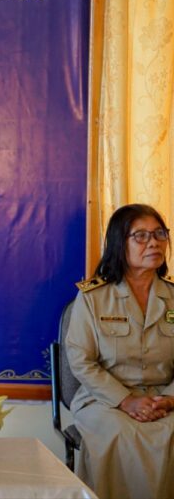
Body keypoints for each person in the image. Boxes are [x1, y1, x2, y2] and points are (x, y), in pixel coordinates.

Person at [66, 203, 174, 499]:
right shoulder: (93, 297)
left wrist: (168, 399)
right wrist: (126, 400)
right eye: (140, 236)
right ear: (119, 243)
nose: (153, 243)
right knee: (120, 434)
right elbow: (81, 361)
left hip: (163, 398)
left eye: (159, 234)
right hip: (105, 400)